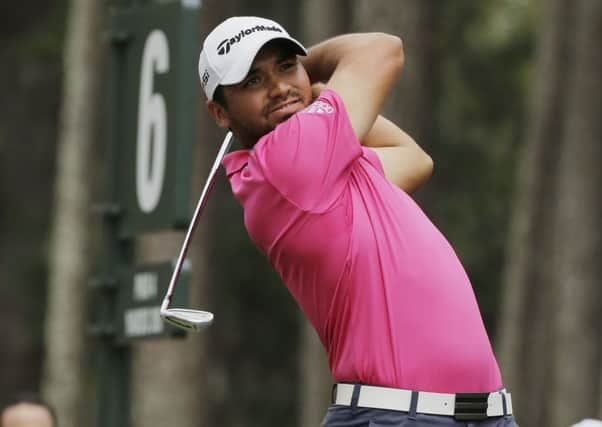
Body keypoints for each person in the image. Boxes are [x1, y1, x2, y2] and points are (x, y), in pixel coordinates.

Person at [199, 16, 519, 426]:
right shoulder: (286, 162)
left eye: (284, 65)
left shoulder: (322, 168)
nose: (278, 87)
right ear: (220, 113)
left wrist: (299, 89)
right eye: (252, 82)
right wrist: (308, 76)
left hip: (472, 415)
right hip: (401, 415)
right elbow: (382, 49)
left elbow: (413, 159)